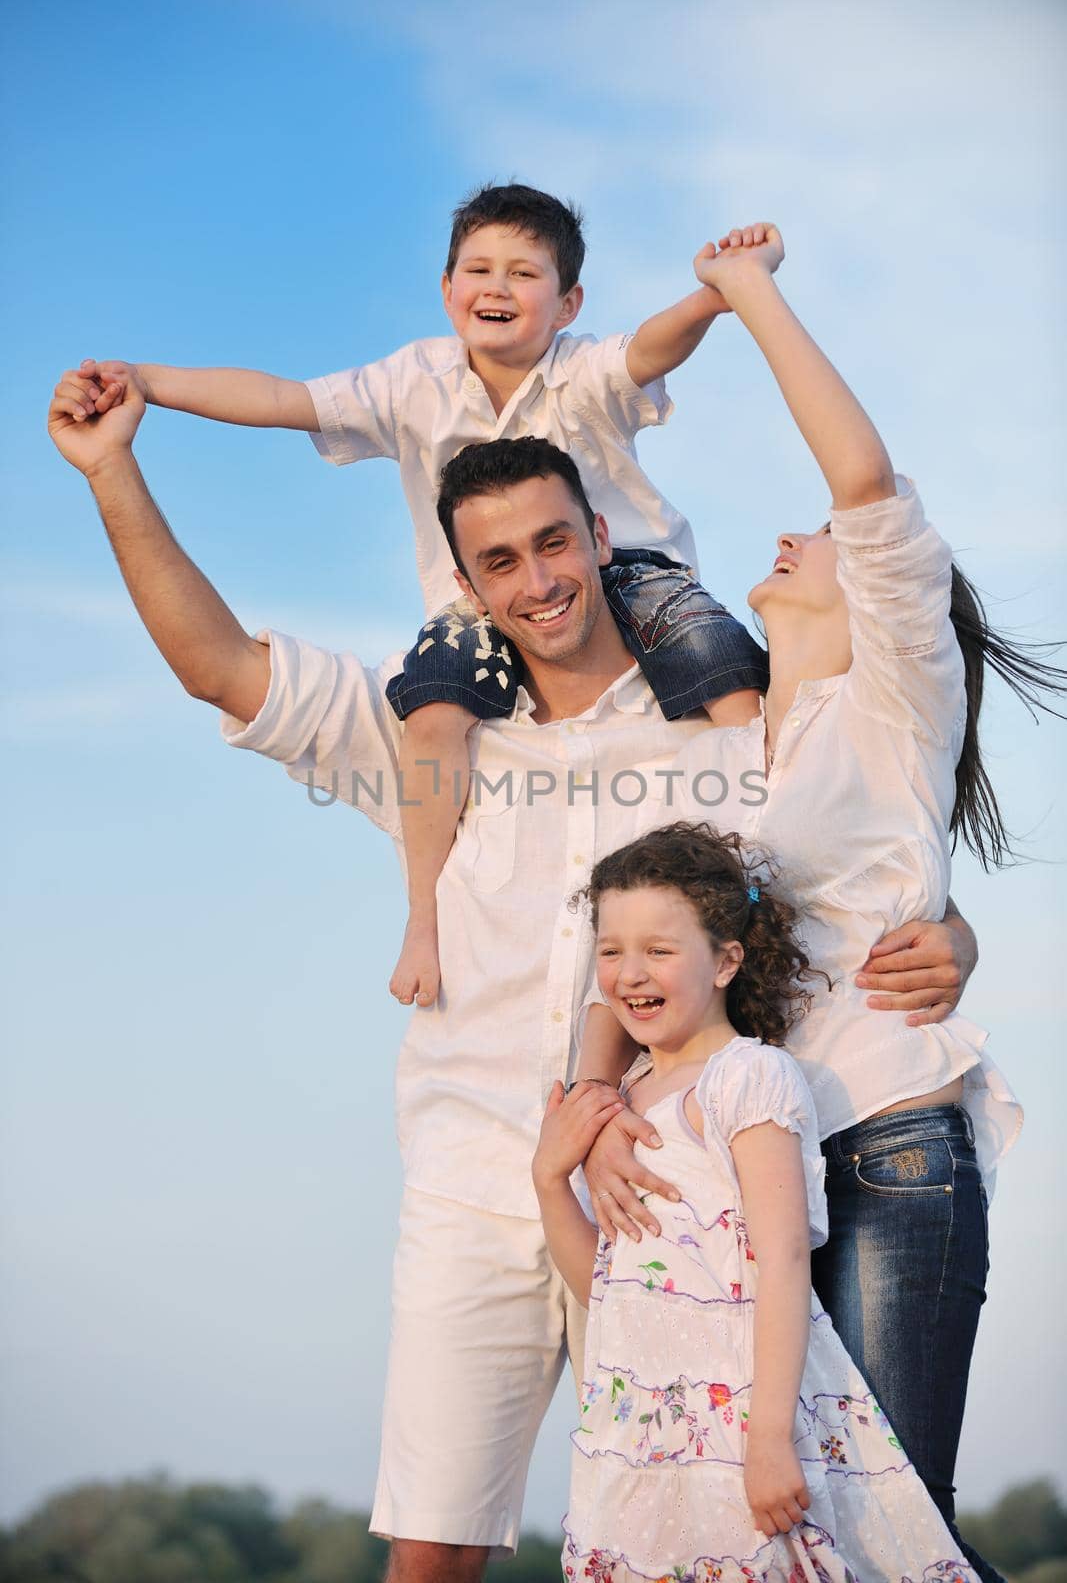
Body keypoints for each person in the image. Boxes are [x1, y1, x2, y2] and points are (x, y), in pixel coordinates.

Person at [47, 362, 975, 1583]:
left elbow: (840, 865)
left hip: (666, 1203)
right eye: (499, 562)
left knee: (706, 1538)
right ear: (467, 583)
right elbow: (219, 665)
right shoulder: (425, 741)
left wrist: (952, 934)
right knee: (430, 1546)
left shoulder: (721, 727)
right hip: (475, 1178)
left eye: (554, 543)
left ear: (597, 536)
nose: (536, 581)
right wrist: (114, 470)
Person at [579, 226, 1062, 1582]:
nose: (796, 534)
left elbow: (857, 481)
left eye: (825, 547)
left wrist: (746, 294)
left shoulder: (894, 701)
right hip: (753, 1170)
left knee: (893, 1523)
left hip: (888, 1146)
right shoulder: (725, 771)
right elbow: (633, 956)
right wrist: (592, 1100)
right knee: (785, 1530)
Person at [70, 182, 771, 1014]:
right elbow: (283, 399)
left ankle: (765, 875)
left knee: (725, 672)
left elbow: (652, 349)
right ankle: (421, 917)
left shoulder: (580, 368)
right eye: (478, 269)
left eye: (524, 274)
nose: (498, 288)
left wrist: (718, 291)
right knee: (431, 720)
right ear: (446, 291)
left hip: (631, 573)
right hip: (474, 606)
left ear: (567, 302)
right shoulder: (414, 382)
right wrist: (145, 379)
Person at [534, 822, 982, 1581]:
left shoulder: (749, 1079)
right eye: (609, 951)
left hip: (741, 1428)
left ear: (725, 961)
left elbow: (782, 1266)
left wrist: (768, 1438)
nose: (628, 972)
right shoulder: (618, 1104)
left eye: (659, 950)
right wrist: (549, 1180)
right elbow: (608, 1294)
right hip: (639, 1437)